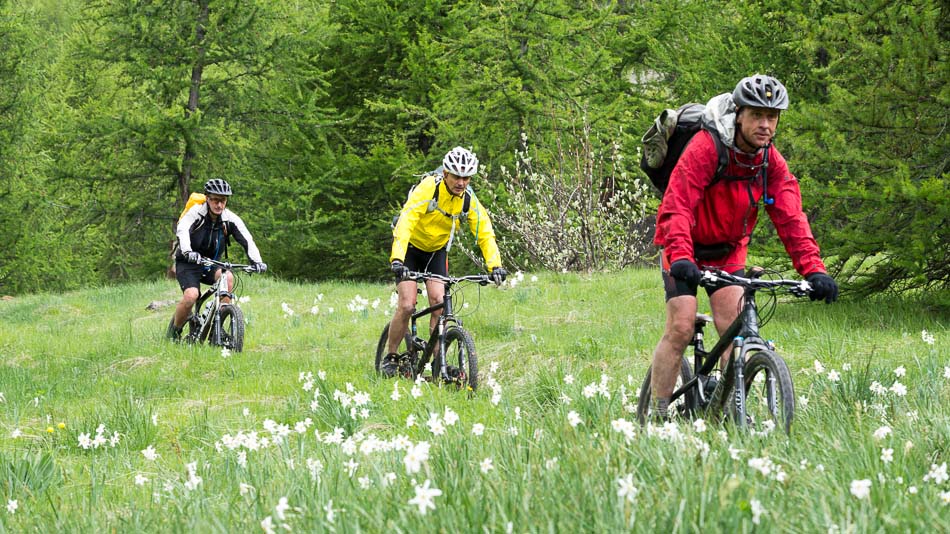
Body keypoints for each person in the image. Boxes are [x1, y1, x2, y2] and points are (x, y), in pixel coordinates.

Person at [650, 74, 838, 418]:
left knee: (733, 326)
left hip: (728, 250)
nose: (765, 125)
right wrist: (679, 256)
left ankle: (730, 413)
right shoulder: (707, 147)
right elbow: (677, 204)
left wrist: (814, 269)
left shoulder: (769, 162)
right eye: (757, 115)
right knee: (680, 326)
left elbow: (791, 217)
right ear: (739, 114)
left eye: (772, 117)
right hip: (684, 249)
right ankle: (656, 413)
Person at [382, 146, 507, 377]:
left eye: (466, 177)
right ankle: (390, 356)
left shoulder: (467, 199)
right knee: (408, 304)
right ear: (446, 174)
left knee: (440, 303)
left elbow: (484, 232)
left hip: (436, 252)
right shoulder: (429, 188)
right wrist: (398, 259)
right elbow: (407, 221)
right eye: (457, 176)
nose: (461, 182)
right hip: (410, 248)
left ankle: (437, 364)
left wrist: (495, 266)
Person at [166, 178, 267, 340]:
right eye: (215, 200)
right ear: (207, 198)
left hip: (212, 263)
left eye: (223, 201)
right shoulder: (195, 213)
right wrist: (188, 251)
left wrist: (257, 261)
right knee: (191, 295)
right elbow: (183, 230)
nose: (219, 205)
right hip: (189, 262)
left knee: (227, 278)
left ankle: (217, 329)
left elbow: (247, 239)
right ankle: (174, 333)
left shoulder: (229, 218)